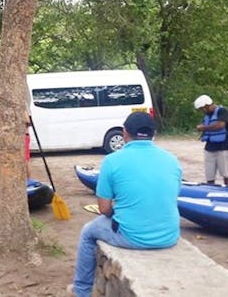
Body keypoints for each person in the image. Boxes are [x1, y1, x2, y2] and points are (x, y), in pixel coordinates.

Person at [70, 112, 182, 296]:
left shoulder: (112, 161)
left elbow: (104, 209)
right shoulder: (172, 160)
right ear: (154, 134)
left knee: (87, 232)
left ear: (125, 133)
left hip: (133, 236)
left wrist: (121, 208)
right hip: (169, 235)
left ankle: (81, 291)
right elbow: (170, 197)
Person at [194, 94, 228, 187]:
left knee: (226, 174)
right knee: (209, 176)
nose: (202, 111)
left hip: (223, 147)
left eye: (202, 109)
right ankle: (210, 192)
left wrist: (204, 128)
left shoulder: (223, 111)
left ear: (207, 106)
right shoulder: (207, 115)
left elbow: (220, 125)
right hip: (209, 148)